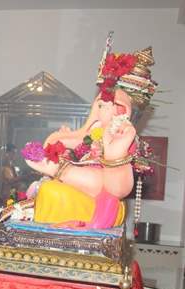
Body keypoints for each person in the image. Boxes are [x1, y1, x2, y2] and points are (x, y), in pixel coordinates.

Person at [24, 46, 157, 229]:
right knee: (50, 189)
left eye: (103, 106)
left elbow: (116, 189)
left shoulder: (125, 137)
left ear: (121, 110)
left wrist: (113, 153)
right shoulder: (93, 134)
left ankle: (63, 173)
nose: (98, 111)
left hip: (104, 197)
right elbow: (59, 142)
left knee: (97, 180)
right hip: (83, 188)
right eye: (98, 105)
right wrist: (59, 145)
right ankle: (61, 176)